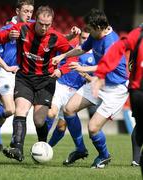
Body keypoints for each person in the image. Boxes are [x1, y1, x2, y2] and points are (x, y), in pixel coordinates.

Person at [0, 5, 77, 162]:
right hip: (24, 78)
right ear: (35, 20)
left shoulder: (56, 37)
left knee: (39, 120)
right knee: (21, 110)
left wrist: (61, 70)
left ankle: (43, 145)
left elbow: (73, 56)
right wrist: (8, 35)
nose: (44, 27)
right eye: (41, 24)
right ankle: (17, 148)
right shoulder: (22, 28)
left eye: (48, 24)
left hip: (46, 81)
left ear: (51, 23)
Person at [52, 8, 129, 168]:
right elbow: (81, 48)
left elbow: (105, 66)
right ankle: (80, 149)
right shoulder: (96, 36)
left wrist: (82, 68)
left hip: (115, 89)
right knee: (69, 109)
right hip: (99, 81)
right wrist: (63, 56)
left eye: (90, 29)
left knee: (93, 128)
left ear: (99, 27)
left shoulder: (112, 42)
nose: (87, 31)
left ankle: (104, 155)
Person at [0, 0, 34, 149]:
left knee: (2, 118)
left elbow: (52, 37)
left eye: (30, 11)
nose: (28, 15)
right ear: (17, 11)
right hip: (5, 73)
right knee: (10, 109)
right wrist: (6, 66)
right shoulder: (8, 28)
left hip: (20, 76)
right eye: (25, 11)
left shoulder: (33, 26)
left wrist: (69, 36)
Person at [90, 24, 143, 175]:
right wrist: (101, 74)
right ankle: (137, 158)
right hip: (139, 89)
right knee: (141, 124)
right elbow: (118, 49)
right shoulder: (138, 34)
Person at [46, 29, 96, 165]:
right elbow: (55, 42)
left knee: (61, 127)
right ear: (79, 38)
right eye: (83, 38)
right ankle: (42, 141)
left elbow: (95, 81)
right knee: (51, 113)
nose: (85, 40)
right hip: (61, 86)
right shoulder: (71, 50)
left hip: (75, 92)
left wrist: (85, 74)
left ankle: (47, 147)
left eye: (87, 38)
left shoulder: (96, 57)